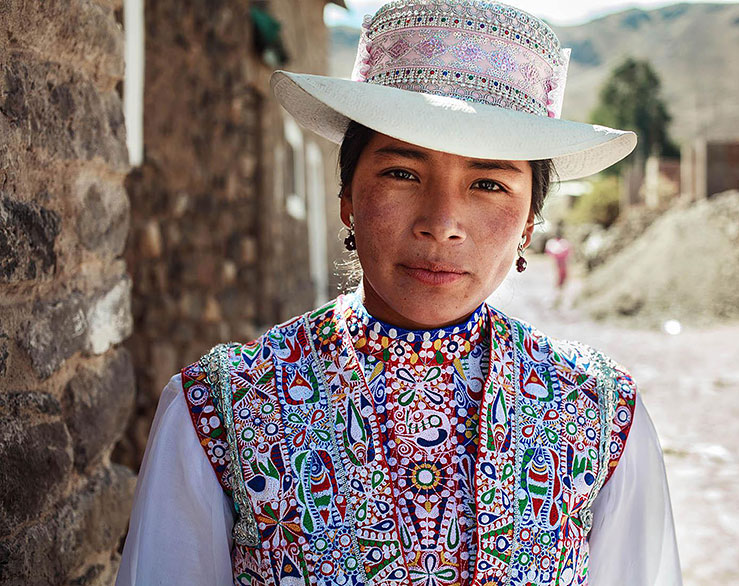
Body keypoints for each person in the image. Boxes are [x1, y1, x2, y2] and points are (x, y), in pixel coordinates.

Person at [116, 0, 682, 584]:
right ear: (347, 199)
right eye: (402, 173)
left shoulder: (598, 416)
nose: (442, 223)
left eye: (488, 184)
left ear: (530, 224)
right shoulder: (222, 410)